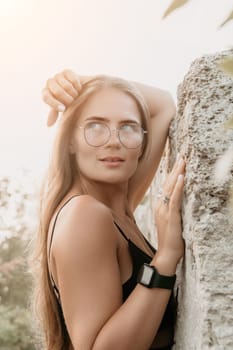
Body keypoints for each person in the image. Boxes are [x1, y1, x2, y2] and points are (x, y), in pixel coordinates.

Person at [33, 70, 186, 350]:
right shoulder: (85, 215)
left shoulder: (117, 208)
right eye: (95, 126)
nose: (113, 140)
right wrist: (166, 257)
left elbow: (163, 104)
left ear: (142, 143)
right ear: (69, 141)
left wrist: (82, 81)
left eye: (128, 127)